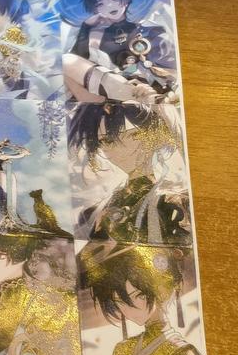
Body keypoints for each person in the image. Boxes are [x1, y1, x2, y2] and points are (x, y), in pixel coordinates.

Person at [78, 240, 207, 355]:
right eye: (119, 301)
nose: (129, 308)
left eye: (138, 295)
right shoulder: (121, 350)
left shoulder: (184, 354)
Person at [68, 100, 189, 246]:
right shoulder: (108, 203)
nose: (120, 151)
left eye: (133, 136)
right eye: (106, 141)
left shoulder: (175, 197)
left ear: (151, 134)